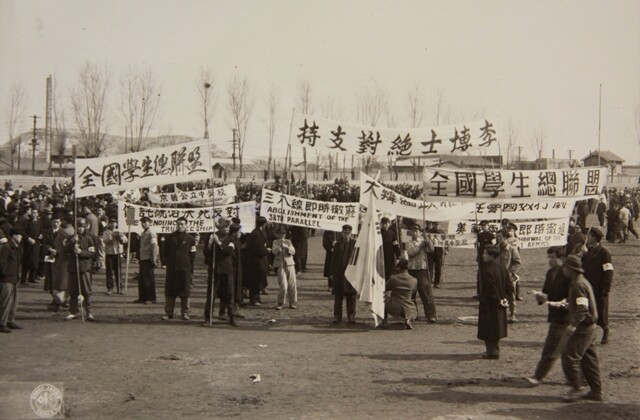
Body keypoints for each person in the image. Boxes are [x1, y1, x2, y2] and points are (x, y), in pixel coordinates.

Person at [560, 255, 603, 402]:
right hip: (590, 326)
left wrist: (573, 326)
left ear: (571, 269)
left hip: (584, 328)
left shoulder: (578, 285)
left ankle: (577, 388)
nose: (563, 270)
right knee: (589, 359)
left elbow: (583, 310)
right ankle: (596, 391)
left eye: (565, 267)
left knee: (569, 356)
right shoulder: (581, 282)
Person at [526, 246, 571, 385]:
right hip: (555, 315)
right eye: (549, 257)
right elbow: (547, 292)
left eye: (553, 258)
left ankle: (538, 376)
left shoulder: (567, 274)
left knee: (551, 348)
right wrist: (541, 297)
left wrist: (562, 302)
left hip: (565, 317)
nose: (550, 260)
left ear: (562, 258)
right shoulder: (550, 272)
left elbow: (571, 295)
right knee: (569, 352)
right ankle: (579, 380)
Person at [477, 245, 513, 359]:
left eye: (485, 253)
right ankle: (493, 350)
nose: (483, 256)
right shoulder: (502, 268)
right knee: (496, 329)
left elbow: (491, 289)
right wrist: (505, 299)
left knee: (489, 329)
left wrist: (497, 299)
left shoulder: (486, 270)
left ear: (491, 256)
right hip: (501, 302)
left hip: (490, 304)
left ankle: (492, 352)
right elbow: (509, 286)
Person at [581, 227, 613, 344]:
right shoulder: (587, 251)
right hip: (588, 287)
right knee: (589, 313)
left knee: (601, 314)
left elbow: (608, 271)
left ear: (595, 238)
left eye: (589, 236)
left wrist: (606, 288)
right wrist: (582, 255)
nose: (587, 238)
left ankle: (606, 330)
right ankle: (591, 337)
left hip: (599, 288)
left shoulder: (604, 253)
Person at [162, 217, 197, 321]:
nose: (180, 226)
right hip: (172, 269)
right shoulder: (169, 237)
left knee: (185, 292)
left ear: (186, 225)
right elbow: (164, 252)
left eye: (182, 224)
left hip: (184, 269)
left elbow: (192, 255)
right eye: (178, 224)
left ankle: (185, 313)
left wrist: (189, 267)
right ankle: (168, 313)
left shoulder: (190, 239)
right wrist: (165, 263)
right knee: (170, 291)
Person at [65, 218, 96, 321]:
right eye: (78, 227)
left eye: (82, 227)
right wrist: (72, 242)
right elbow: (65, 250)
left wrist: (81, 252)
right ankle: (73, 312)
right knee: (73, 291)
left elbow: (92, 253)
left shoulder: (89, 238)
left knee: (86, 292)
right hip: (73, 268)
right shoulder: (71, 238)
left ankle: (89, 312)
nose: (80, 229)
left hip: (84, 268)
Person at [406, 223, 437, 323]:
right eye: (413, 231)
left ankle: (431, 315)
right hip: (411, 270)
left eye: (417, 231)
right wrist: (420, 247)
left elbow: (431, 250)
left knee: (426, 293)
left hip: (422, 269)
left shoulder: (423, 241)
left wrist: (427, 240)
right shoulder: (409, 243)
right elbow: (410, 253)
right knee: (411, 294)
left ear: (419, 232)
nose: (415, 233)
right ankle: (412, 314)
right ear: (411, 232)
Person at [379, 258, 417, 330]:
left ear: (399, 267)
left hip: (395, 307)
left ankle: (384, 320)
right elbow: (413, 293)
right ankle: (408, 319)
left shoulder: (393, 278)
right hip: (409, 308)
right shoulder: (414, 280)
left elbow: (386, 288)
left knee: (383, 298)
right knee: (410, 301)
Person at [330, 224, 357, 324]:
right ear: (342, 233)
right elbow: (333, 259)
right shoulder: (337, 244)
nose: (346, 235)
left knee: (351, 296)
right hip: (339, 273)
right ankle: (337, 316)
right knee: (338, 296)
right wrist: (331, 273)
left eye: (348, 233)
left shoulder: (355, 244)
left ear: (351, 234)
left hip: (351, 273)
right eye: (345, 233)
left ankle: (351, 316)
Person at [0, 228, 24, 332]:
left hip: (14, 277)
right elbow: (2, 264)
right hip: (7, 278)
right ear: (13, 235)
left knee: (13, 301)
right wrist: (4, 274)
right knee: (5, 301)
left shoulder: (16, 247)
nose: (21, 237)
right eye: (19, 235)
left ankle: (10, 320)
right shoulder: (6, 247)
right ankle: (1, 323)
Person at [496, 229, 521, 323]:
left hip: (509, 277)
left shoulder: (512, 249)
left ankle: (512, 314)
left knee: (511, 296)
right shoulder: (496, 248)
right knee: (499, 295)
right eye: (497, 237)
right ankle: (500, 314)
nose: (498, 239)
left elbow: (517, 262)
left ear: (506, 238)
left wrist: (510, 272)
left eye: (500, 237)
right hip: (498, 276)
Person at [244, 216, 270, 306]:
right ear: (264, 224)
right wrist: (266, 251)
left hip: (259, 259)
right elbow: (258, 248)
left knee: (259, 279)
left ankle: (257, 297)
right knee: (255, 280)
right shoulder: (256, 233)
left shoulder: (259, 232)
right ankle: (253, 299)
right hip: (256, 260)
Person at [271, 227, 297, 310]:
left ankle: (293, 303)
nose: (282, 235)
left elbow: (293, 251)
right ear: (277, 234)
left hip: (290, 264)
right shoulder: (275, 242)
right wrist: (279, 247)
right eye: (280, 234)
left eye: (284, 234)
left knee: (292, 284)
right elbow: (274, 252)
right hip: (280, 264)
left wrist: (287, 247)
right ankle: (280, 302)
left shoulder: (288, 241)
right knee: (283, 285)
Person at [135, 216, 158, 304]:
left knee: (148, 279)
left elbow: (154, 246)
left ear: (150, 223)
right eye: (142, 222)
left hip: (149, 258)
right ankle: (143, 297)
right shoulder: (144, 233)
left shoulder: (151, 233)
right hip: (143, 258)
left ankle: (151, 298)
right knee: (142, 279)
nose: (143, 224)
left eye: (145, 222)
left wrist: (154, 258)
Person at [102, 218, 127, 295]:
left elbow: (125, 240)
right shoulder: (106, 232)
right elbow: (104, 241)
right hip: (109, 253)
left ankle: (120, 288)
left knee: (118, 271)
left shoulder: (120, 231)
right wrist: (111, 237)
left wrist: (121, 237)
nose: (112, 224)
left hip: (118, 253)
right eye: (111, 223)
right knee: (109, 272)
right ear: (108, 224)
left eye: (114, 223)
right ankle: (109, 288)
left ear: (116, 224)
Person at [475, 220, 495, 298]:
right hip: (481, 257)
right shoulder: (479, 235)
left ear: (488, 226)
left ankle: (488, 293)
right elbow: (476, 245)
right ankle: (479, 293)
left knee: (488, 275)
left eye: (485, 225)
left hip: (488, 258)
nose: (483, 227)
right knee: (480, 275)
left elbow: (494, 245)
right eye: (482, 226)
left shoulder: (491, 236)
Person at [426, 221, 447, 288]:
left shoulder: (442, 232)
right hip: (430, 252)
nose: (437, 226)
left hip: (439, 252)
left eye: (438, 224)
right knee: (430, 267)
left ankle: (437, 282)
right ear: (433, 224)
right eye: (435, 224)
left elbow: (446, 241)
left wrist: (446, 249)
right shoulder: (429, 232)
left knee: (438, 267)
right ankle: (429, 281)